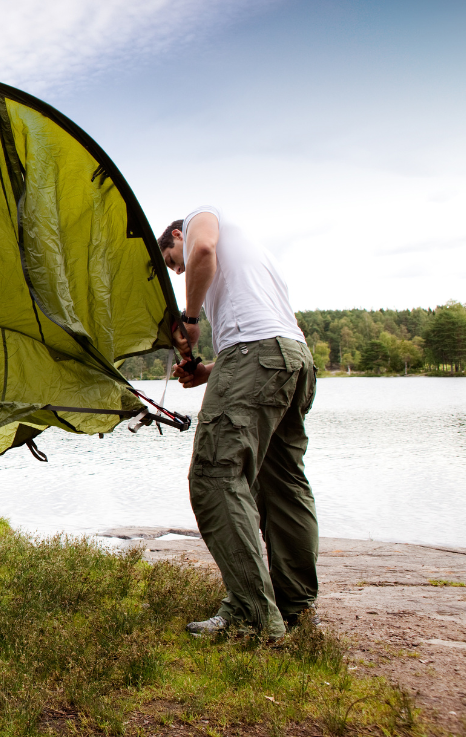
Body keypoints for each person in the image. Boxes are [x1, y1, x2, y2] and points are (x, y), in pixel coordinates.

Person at [159, 206, 318, 640]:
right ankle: (296, 610)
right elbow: (269, 330)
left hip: (256, 355)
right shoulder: (253, 257)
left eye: (174, 260)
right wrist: (209, 370)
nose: (178, 270)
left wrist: (190, 322)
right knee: (283, 483)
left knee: (214, 476)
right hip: (293, 358)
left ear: (177, 233)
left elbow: (203, 248)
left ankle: (251, 613)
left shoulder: (199, 220)